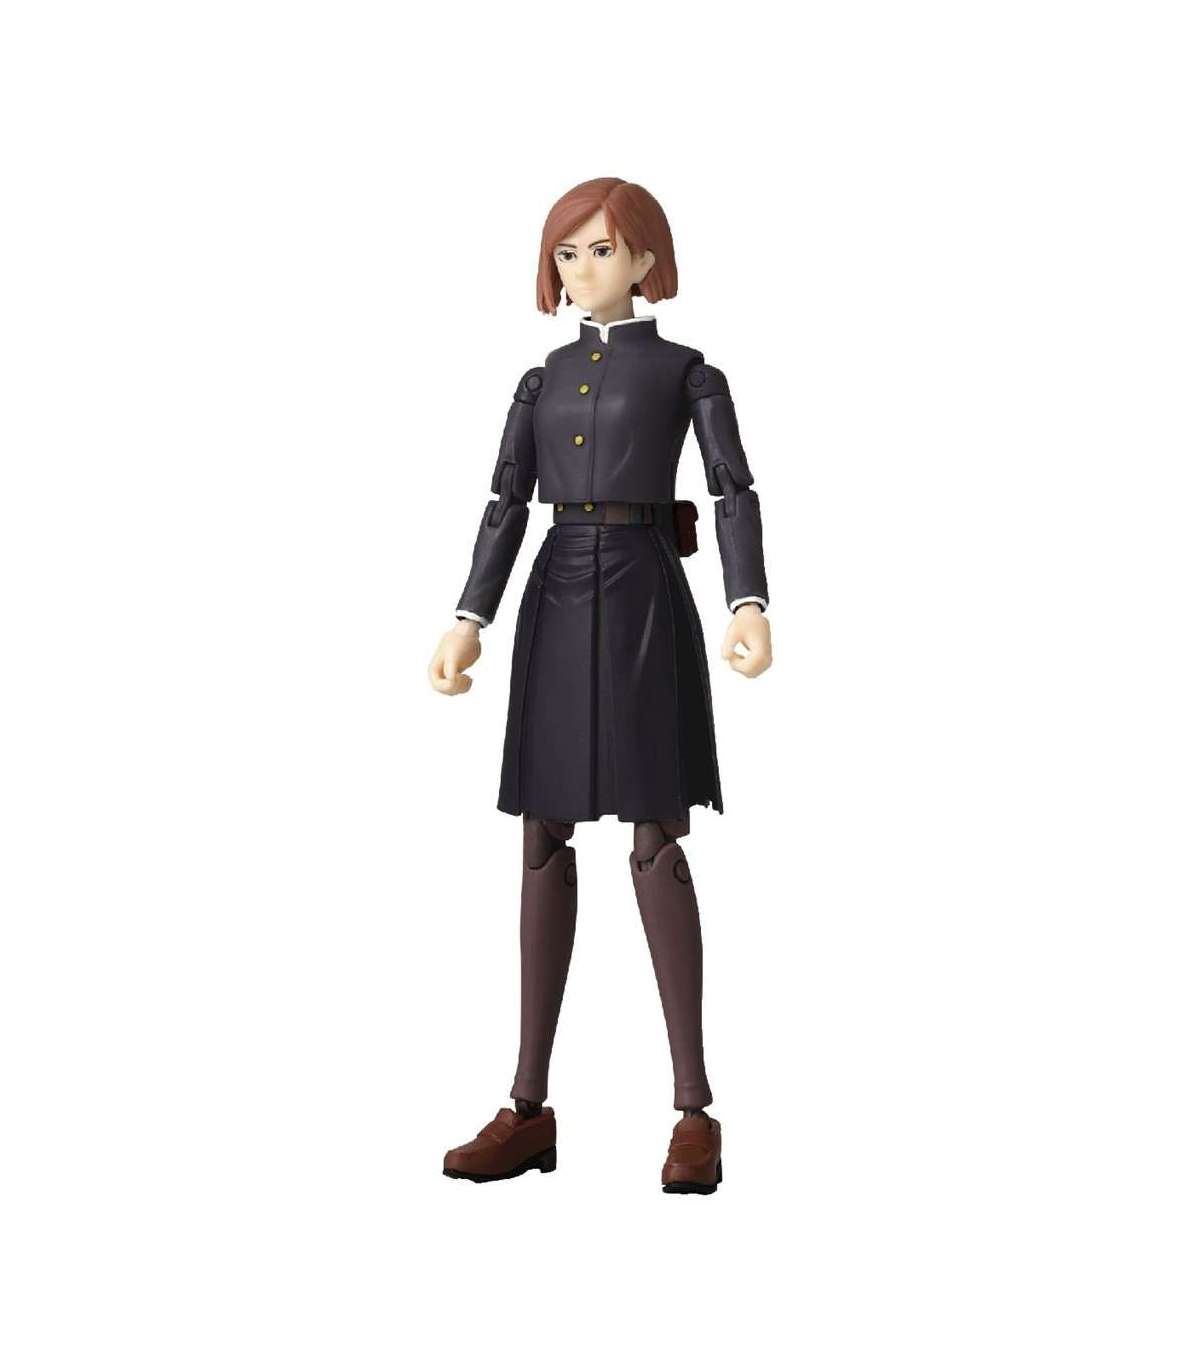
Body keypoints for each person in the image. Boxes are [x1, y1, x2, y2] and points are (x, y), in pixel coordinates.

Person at [428, 177, 771, 1194]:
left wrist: (747, 599)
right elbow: (505, 501)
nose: (583, 269)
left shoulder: (687, 372)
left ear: (647, 260)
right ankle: (527, 1106)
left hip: (646, 590)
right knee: (541, 834)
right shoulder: (540, 380)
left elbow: (733, 487)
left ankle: (694, 1109)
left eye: (603, 250)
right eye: (567, 253)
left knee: (656, 836)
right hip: (555, 594)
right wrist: (469, 616)